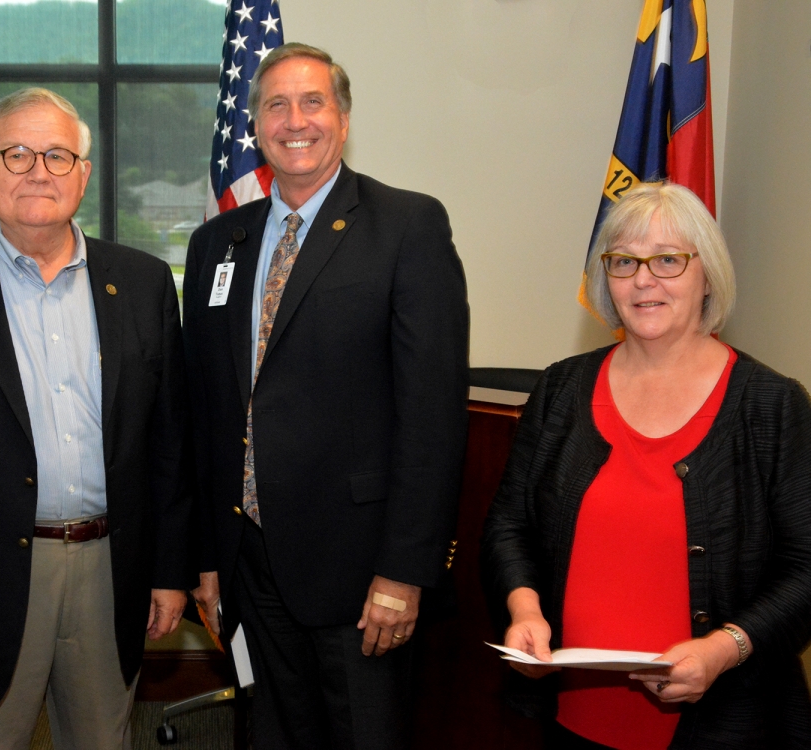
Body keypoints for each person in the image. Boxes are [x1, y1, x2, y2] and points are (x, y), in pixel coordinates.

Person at [0, 88, 190, 750]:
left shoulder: (142, 282)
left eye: (57, 155)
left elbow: (168, 441)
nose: (38, 171)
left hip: (111, 568)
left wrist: (169, 568)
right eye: (16, 153)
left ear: (83, 173)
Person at [183, 43, 470, 748]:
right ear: (254, 126)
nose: (294, 120)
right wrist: (210, 555)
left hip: (357, 568)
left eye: (313, 101)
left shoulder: (407, 227)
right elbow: (208, 410)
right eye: (275, 105)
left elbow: (432, 418)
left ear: (341, 116)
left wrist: (404, 572)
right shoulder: (217, 243)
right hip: (251, 561)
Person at [481, 182, 811, 748]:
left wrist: (722, 647)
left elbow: (806, 567)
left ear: (707, 273)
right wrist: (524, 608)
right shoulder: (562, 386)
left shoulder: (771, 405)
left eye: (668, 260)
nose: (643, 279)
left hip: (726, 723)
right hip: (574, 717)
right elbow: (508, 525)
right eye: (624, 261)